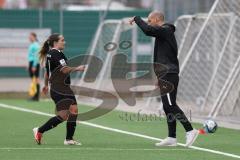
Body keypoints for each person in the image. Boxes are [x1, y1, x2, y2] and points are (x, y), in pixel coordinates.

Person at [129, 11, 199, 147]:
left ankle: (190, 130)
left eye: (150, 20)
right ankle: (172, 137)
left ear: (156, 19)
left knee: (170, 105)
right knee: (167, 107)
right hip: (165, 74)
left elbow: (147, 30)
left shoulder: (165, 30)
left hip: (168, 73)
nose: (148, 23)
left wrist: (137, 19)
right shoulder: (163, 33)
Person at [33, 33, 85, 145]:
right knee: (63, 116)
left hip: (61, 88)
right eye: (62, 40)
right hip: (60, 88)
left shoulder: (51, 54)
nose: (64, 42)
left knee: (73, 111)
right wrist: (78, 68)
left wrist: (46, 85)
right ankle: (40, 130)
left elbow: (48, 72)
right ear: (55, 42)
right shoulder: (55, 54)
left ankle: (69, 139)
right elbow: (64, 69)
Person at [27, 32, 40, 101]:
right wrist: (29, 65)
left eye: (31, 36)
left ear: (34, 37)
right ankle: (34, 95)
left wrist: (34, 65)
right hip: (31, 63)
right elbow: (30, 56)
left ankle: (36, 96)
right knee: (33, 79)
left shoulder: (36, 45)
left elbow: (36, 56)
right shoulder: (32, 45)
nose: (29, 38)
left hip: (34, 63)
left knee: (36, 79)